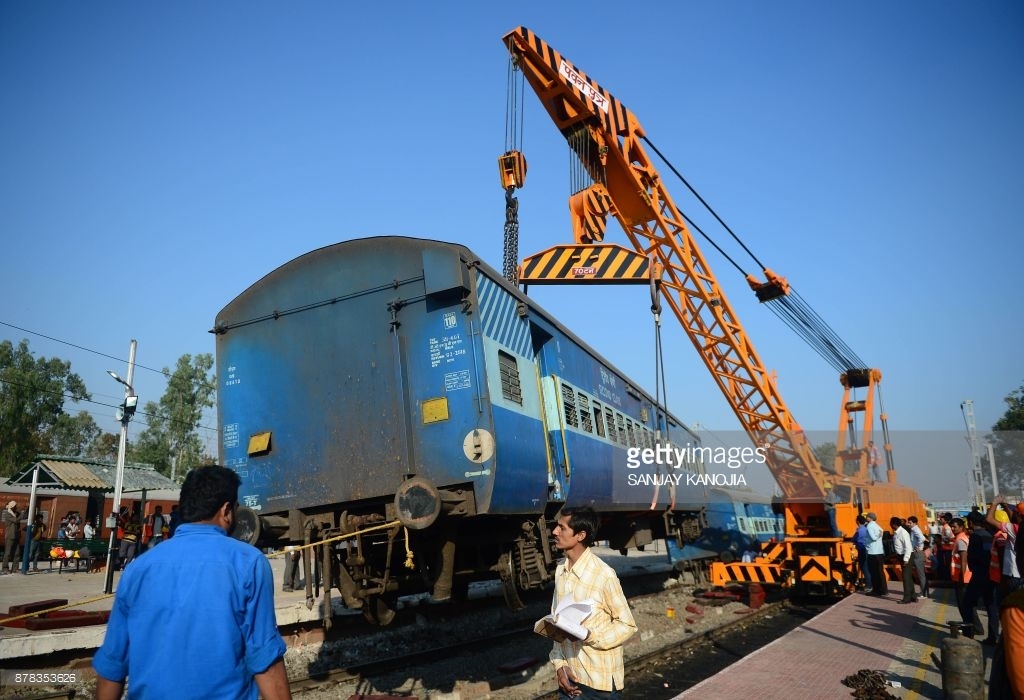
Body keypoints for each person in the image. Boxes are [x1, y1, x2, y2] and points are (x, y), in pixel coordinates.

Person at [93, 465, 291, 700]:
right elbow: (265, 660)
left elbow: (112, 666)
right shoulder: (249, 563)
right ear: (227, 510)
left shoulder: (137, 569)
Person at [547, 506, 637, 699]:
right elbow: (558, 624)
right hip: (570, 680)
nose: (554, 531)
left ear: (580, 535)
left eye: (562, 528)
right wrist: (559, 665)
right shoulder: (560, 571)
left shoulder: (604, 575)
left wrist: (590, 635)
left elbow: (627, 625)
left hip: (599, 685)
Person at [957, 513, 999, 643]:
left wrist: (974, 569)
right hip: (991, 574)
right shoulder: (989, 535)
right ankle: (993, 637)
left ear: (970, 522)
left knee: (967, 603)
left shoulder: (975, 536)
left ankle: (968, 634)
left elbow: (976, 556)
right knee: (991, 606)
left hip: (979, 574)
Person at [986, 497, 1022, 598]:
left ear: (1018, 515)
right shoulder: (1017, 528)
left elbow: (989, 519)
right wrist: (1006, 506)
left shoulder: (1013, 528)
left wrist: (994, 504)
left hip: (1015, 573)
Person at [891, 516, 917, 603]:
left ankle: (907, 598)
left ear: (894, 524)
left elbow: (908, 547)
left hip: (906, 556)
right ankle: (913, 596)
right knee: (908, 577)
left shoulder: (903, 532)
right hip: (901, 556)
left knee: (906, 578)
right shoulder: (897, 532)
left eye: (891, 524)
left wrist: (906, 559)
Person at [907, 515, 930, 598]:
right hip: (917, 553)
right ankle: (923, 592)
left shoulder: (915, 529)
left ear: (915, 523)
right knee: (920, 574)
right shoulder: (914, 529)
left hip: (918, 554)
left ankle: (924, 593)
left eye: (910, 523)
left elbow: (922, 538)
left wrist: (918, 546)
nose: (908, 524)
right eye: (908, 522)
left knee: (921, 574)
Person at [864, 512, 887, 596]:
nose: (866, 518)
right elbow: (882, 531)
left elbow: (873, 538)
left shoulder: (869, 525)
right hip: (879, 551)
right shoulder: (876, 525)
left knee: (874, 572)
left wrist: (877, 536)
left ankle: (876, 590)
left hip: (872, 552)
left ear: (869, 518)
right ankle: (884, 590)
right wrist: (880, 535)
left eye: (867, 516)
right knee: (880, 572)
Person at [852, 514, 873, 592]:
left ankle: (869, 586)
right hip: (867, 549)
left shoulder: (859, 530)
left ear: (857, 521)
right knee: (867, 568)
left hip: (862, 550)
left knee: (864, 568)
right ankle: (870, 584)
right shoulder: (866, 529)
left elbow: (853, 539)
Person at [2, 501, 21, 574]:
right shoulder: (8, 514)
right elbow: (15, 520)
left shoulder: (16, 513)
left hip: (16, 536)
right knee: (8, 553)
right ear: (12, 507)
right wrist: (21, 515)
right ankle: (5, 568)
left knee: (17, 553)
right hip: (10, 536)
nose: (16, 507)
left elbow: (22, 517)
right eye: (15, 506)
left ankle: (15, 568)